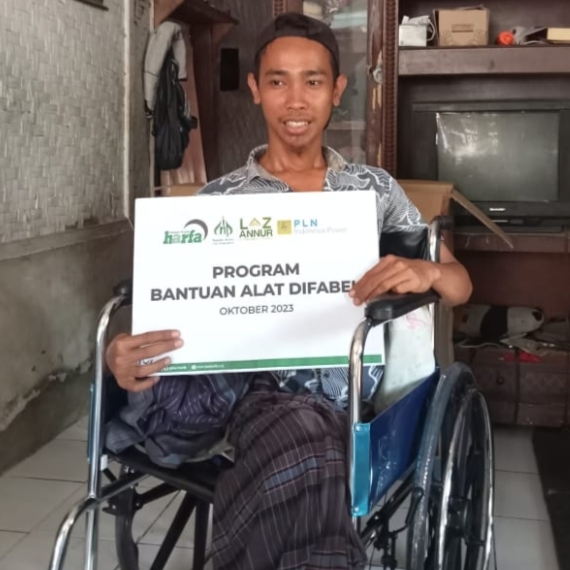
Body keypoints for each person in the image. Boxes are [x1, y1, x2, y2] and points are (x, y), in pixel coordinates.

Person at [106, 13, 473, 570]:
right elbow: (176, 310)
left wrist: (426, 272)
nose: (296, 100)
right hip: (241, 390)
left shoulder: (371, 190)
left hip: (343, 388)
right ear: (256, 89)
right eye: (278, 81)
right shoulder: (219, 202)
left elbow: (460, 285)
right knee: (300, 432)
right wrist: (126, 352)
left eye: (313, 81)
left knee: (303, 432)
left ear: (337, 90)